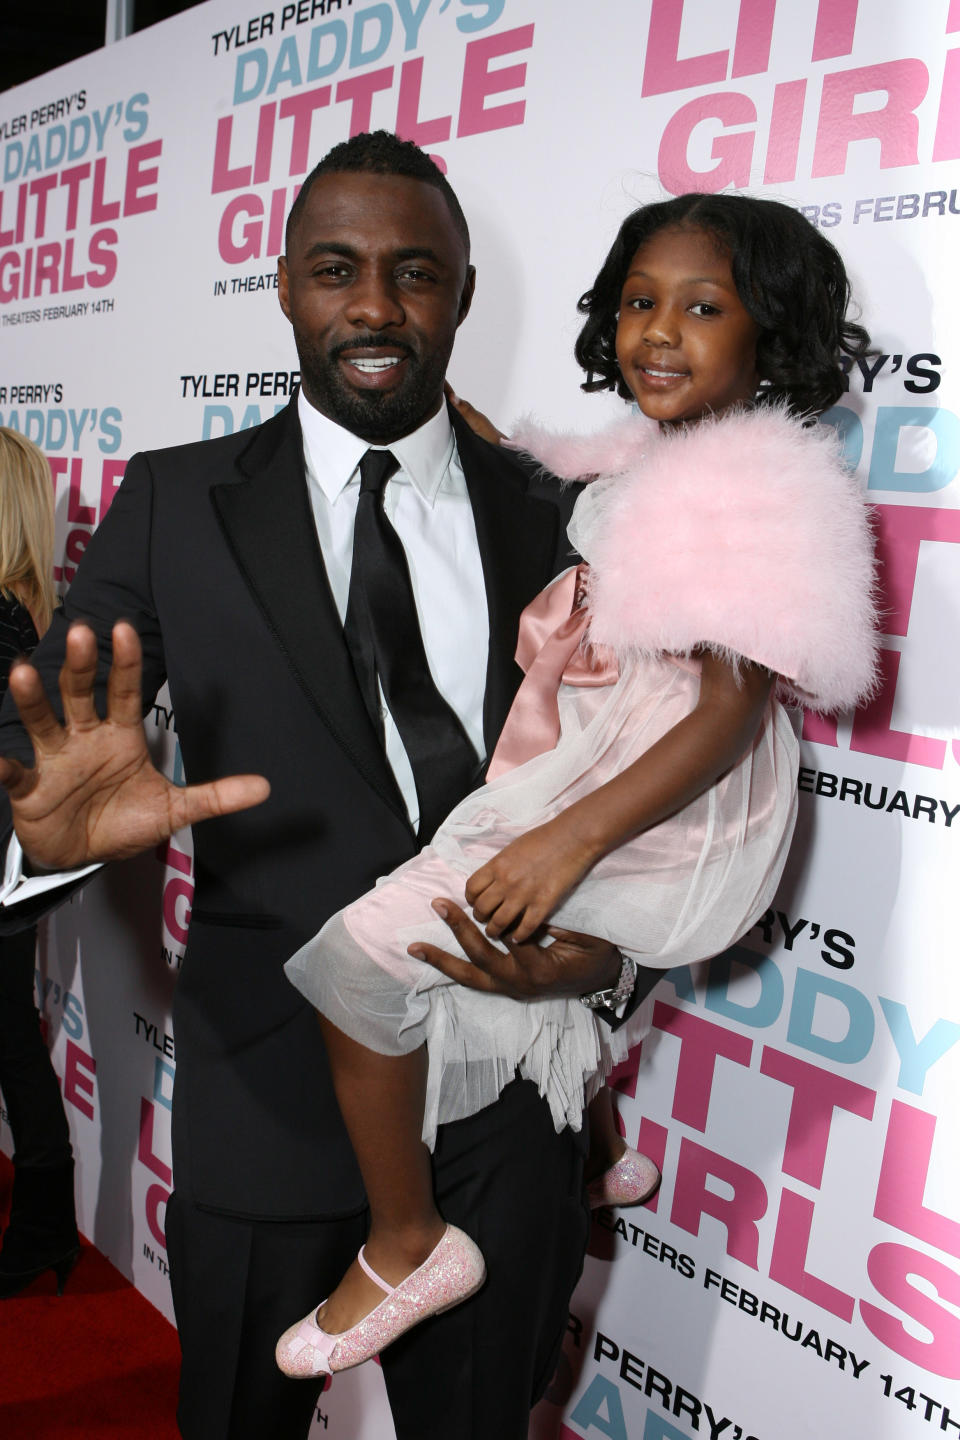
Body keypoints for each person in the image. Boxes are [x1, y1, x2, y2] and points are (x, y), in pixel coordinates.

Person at [0, 133, 634, 1440]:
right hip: (271, 1074)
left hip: (502, 1097)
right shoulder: (175, 501)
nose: (375, 307)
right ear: (285, 284)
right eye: (337, 270)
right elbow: (66, 730)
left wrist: (598, 959)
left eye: (415, 274)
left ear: (460, 297)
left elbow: (627, 776)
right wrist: (44, 823)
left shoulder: (557, 513)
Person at [275, 193, 879, 1377]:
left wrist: (565, 842)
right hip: (605, 768)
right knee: (513, 968)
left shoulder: (755, 487)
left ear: (775, 335)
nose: (660, 331)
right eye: (642, 301)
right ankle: (605, 1145)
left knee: (361, 960)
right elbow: (586, 508)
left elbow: (725, 712)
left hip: (655, 800)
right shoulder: (656, 463)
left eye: (704, 307)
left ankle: (407, 1242)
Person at [0, 429, 81, 1298]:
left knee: (12, 1038)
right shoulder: (26, 610)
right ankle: (46, 1225)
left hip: (6, 865)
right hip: (11, 867)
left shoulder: (0, 614)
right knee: (12, 1036)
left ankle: (45, 1225)